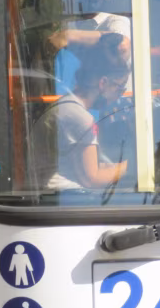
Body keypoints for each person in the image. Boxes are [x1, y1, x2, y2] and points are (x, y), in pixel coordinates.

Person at [32, 33, 131, 190]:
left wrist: (115, 167)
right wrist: (133, 165)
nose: (120, 96)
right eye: (119, 88)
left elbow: (82, 166)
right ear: (103, 83)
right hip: (66, 195)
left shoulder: (68, 106)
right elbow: (92, 179)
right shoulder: (79, 117)